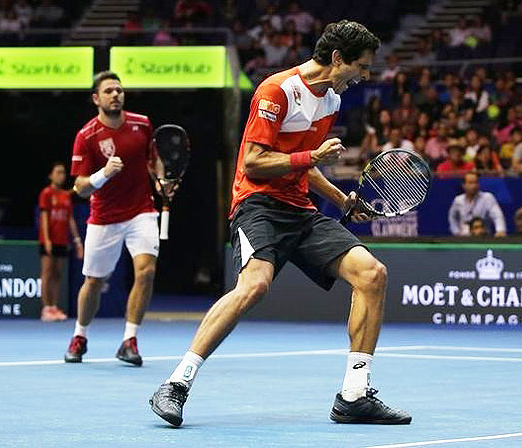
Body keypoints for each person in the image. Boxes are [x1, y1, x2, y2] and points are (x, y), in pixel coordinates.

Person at [149, 20, 411, 427]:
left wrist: (342, 199)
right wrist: (310, 158)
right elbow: (255, 162)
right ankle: (176, 384)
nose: (365, 76)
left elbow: (305, 167)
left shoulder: (331, 101)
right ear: (337, 58)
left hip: (299, 209)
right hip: (257, 205)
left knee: (372, 274)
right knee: (254, 285)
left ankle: (354, 396)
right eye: (361, 66)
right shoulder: (276, 91)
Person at [64, 71, 171, 366]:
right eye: (109, 91)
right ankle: (80, 335)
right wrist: (103, 174)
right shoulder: (86, 136)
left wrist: (162, 180)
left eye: (119, 90)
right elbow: (80, 188)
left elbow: (154, 160)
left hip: (142, 211)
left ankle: (129, 340)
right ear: (96, 98)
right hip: (104, 217)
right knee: (94, 282)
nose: (116, 95)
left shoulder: (142, 124)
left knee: (146, 272)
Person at [38, 162, 84, 322]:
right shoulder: (46, 193)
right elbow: (44, 217)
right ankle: (46, 308)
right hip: (48, 241)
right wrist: (47, 239)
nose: (61, 175)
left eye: (63, 173)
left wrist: (77, 241)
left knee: (57, 275)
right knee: (47, 273)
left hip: (62, 241)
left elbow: (70, 219)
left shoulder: (66, 195)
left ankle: (54, 307)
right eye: (57, 172)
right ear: (51, 175)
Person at [448, 171, 506, 236]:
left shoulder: (487, 198)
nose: (474, 186)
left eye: (476, 182)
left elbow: (497, 215)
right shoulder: (458, 200)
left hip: (484, 237)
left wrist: (500, 230)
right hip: (464, 238)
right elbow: (452, 217)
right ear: (464, 185)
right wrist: (456, 232)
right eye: (470, 183)